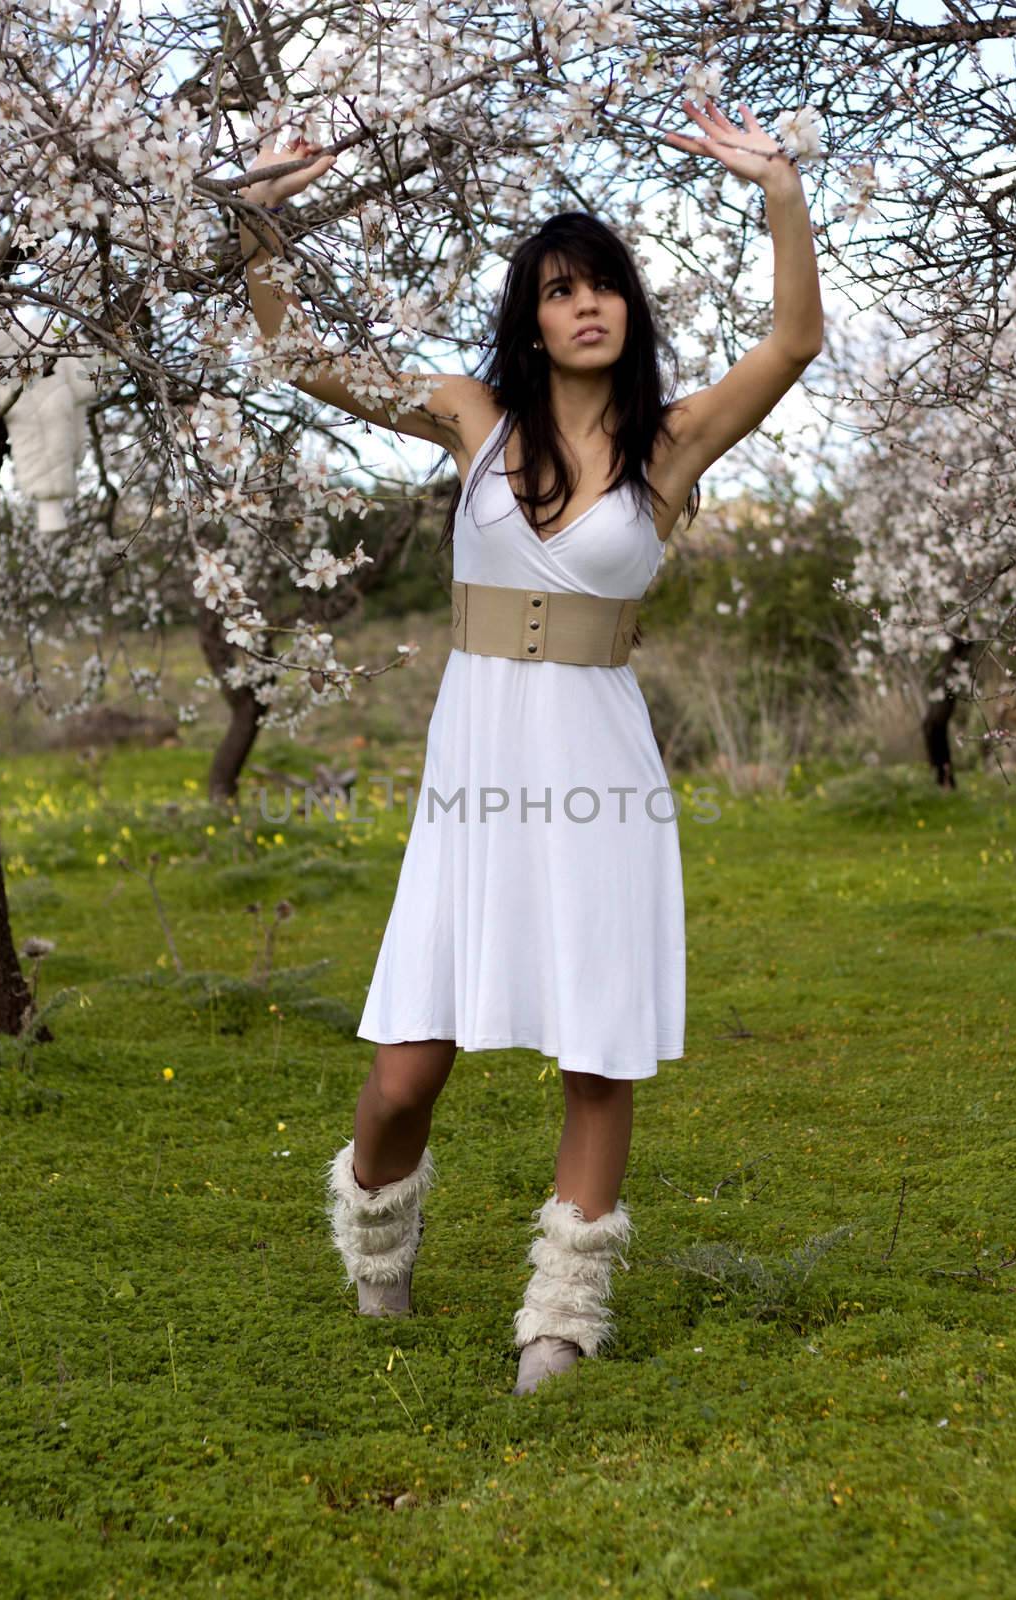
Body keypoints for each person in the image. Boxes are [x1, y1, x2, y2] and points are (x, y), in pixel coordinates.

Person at [238, 98, 823, 1396]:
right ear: (535, 313)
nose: (588, 306)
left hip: (603, 777)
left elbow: (793, 340)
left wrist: (776, 186)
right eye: (563, 290)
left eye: (606, 284)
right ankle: (377, 1238)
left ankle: (560, 1317)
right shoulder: (472, 415)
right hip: (476, 780)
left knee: (598, 1053)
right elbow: (305, 363)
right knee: (405, 1070)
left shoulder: (672, 445)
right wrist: (261, 224)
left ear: (629, 308)